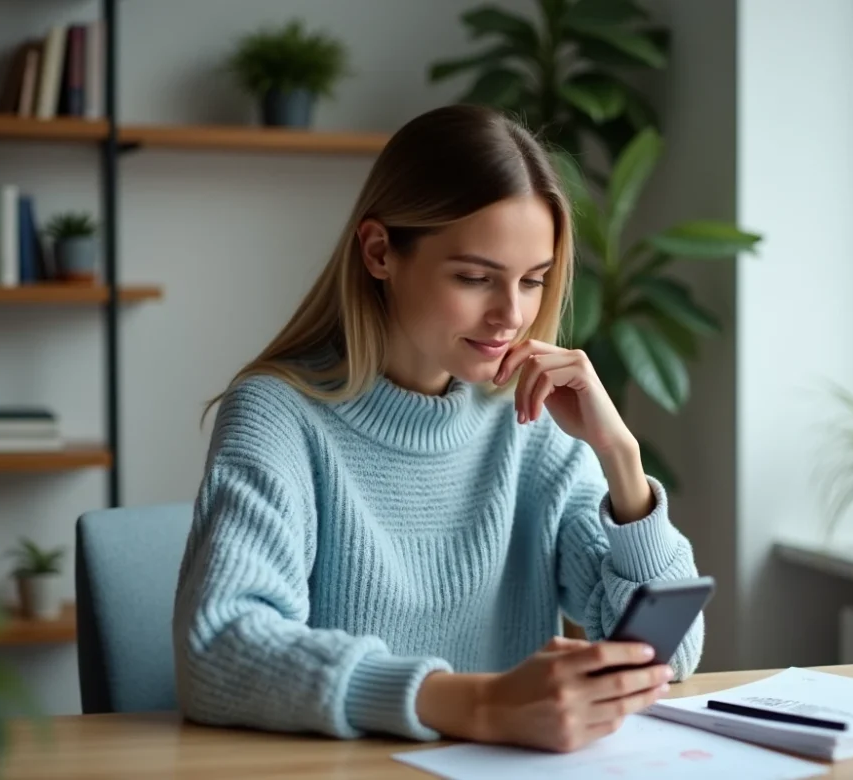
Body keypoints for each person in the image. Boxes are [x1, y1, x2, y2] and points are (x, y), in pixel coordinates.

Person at [172, 103, 705, 754]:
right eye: (475, 278)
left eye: (533, 281)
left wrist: (621, 460)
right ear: (379, 252)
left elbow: (671, 656)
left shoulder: (531, 418)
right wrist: (477, 704)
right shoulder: (278, 415)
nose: (511, 314)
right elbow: (221, 649)